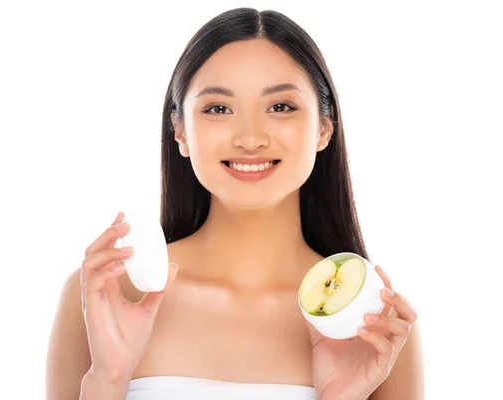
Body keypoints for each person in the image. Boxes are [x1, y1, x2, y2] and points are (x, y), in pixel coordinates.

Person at [46, 7, 424, 400]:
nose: (250, 138)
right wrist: (107, 379)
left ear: (324, 128)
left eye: (280, 107)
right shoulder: (105, 296)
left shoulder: (374, 326)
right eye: (218, 109)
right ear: (180, 131)